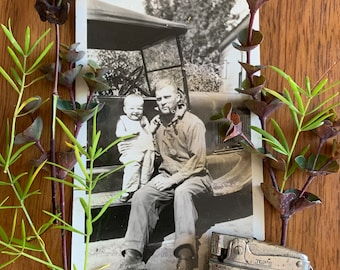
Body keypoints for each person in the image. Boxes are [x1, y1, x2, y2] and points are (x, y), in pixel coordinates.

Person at [119, 78, 213, 270]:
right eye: (159, 98)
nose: (162, 101)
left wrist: (173, 180)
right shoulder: (158, 124)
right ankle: (133, 255)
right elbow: (149, 152)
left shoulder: (194, 123)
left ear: (178, 97)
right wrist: (148, 133)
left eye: (167, 97)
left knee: (182, 192)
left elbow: (198, 162)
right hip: (167, 174)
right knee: (142, 196)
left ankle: (185, 255)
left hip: (196, 176)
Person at [116, 93, 155, 202]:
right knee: (132, 169)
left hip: (147, 148)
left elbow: (149, 131)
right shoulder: (123, 120)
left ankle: (142, 188)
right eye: (132, 108)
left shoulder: (144, 119)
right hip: (133, 150)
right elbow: (119, 134)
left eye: (139, 108)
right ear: (125, 109)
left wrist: (154, 125)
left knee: (147, 169)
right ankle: (127, 191)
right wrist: (130, 133)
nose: (135, 111)